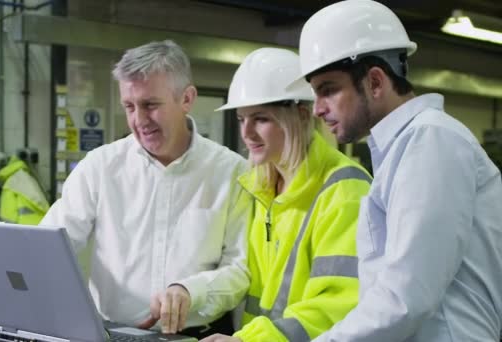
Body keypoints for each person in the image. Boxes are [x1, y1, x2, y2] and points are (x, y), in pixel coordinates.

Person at [287, 0, 502, 340]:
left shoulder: (432, 141)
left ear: (375, 81)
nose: (317, 110)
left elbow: (406, 296)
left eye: (328, 90)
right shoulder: (405, 149)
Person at [40, 40, 251, 339]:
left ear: (187, 98)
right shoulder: (100, 167)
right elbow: (52, 245)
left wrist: (192, 290)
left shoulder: (232, 172)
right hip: (114, 333)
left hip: (200, 335)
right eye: (129, 106)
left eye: (151, 105)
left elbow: (241, 267)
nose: (139, 120)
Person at [201, 47, 371, 342]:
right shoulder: (260, 189)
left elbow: (339, 305)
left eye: (261, 119)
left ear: (302, 116)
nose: (247, 133)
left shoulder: (345, 190)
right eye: (242, 119)